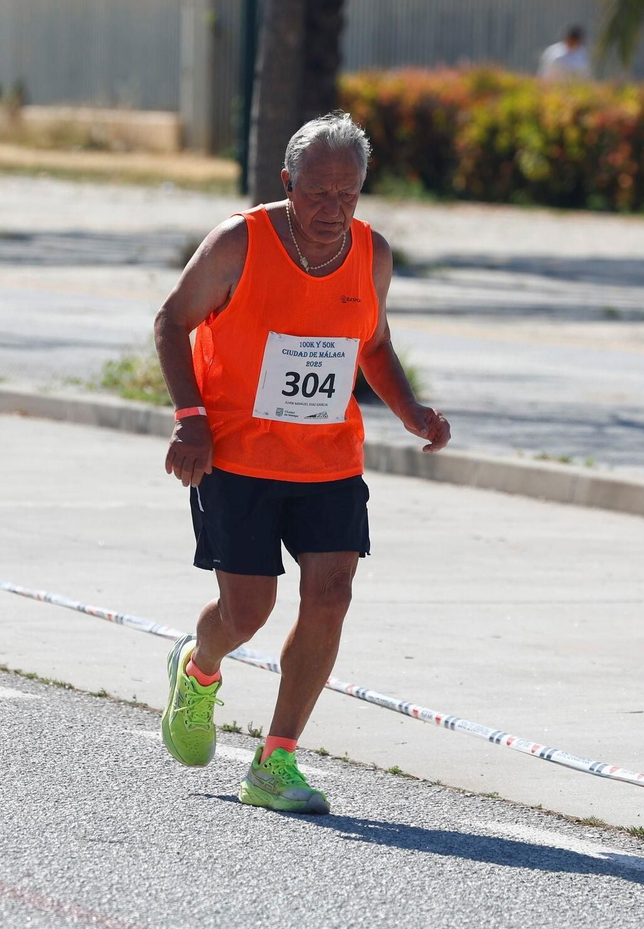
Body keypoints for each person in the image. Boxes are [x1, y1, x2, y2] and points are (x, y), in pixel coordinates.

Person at [153, 111, 451, 815]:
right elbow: (171, 321)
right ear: (287, 183)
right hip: (238, 457)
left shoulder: (371, 254)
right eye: (317, 192)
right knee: (248, 611)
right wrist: (189, 420)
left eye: (347, 194)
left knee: (332, 596)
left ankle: (276, 759)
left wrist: (409, 410)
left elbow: (371, 341)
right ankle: (198, 669)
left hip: (329, 459)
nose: (331, 208)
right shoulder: (240, 242)